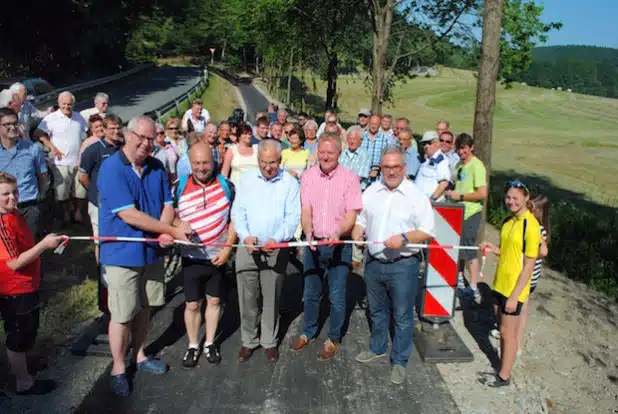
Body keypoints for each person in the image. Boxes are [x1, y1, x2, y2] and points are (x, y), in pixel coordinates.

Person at [97, 115, 192, 397]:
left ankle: (139, 355)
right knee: (122, 313)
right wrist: (169, 231)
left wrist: (164, 231)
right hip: (122, 254)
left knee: (146, 307)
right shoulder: (111, 168)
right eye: (142, 137)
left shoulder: (156, 167)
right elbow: (130, 215)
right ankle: (117, 367)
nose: (147, 143)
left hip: (151, 252)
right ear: (128, 135)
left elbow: (167, 204)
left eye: (152, 138)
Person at [352, 145, 434, 385]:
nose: (390, 171)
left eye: (395, 166)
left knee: (402, 315)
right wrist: (358, 231)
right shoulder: (372, 191)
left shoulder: (416, 196)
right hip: (374, 263)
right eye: (386, 167)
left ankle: (399, 360)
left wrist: (405, 238)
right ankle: (377, 347)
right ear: (381, 168)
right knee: (376, 310)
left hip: (403, 265)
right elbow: (361, 219)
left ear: (404, 167)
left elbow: (428, 231)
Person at [291, 133, 362, 360]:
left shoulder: (350, 178)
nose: (325, 156)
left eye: (330, 152)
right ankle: (309, 331)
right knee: (311, 292)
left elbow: (352, 214)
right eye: (321, 152)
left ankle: (334, 337)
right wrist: (308, 231)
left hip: (339, 244)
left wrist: (337, 232)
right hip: (314, 243)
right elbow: (306, 208)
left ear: (339, 154)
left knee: (337, 295)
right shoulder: (308, 176)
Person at [231, 139, 300, 362]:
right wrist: (244, 235)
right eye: (263, 162)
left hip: (275, 248)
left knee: (271, 298)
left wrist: (276, 238)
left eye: (272, 163)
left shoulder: (289, 182)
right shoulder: (247, 179)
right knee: (247, 297)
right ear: (257, 160)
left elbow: (292, 218)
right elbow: (238, 213)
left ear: (279, 161)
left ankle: (269, 341)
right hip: (248, 246)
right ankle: (248, 340)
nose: (267, 167)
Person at [0, 172, 63, 394]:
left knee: (28, 330)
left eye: (15, 192)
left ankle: (24, 366)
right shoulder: (2, 224)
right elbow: (14, 263)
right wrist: (44, 245)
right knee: (17, 335)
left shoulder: (14, 214)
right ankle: (23, 382)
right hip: (14, 289)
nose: (12, 198)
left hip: (29, 284)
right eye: (5, 194)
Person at [175, 142, 237, 368]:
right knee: (192, 305)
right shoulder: (179, 186)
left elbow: (235, 219)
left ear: (214, 162)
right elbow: (170, 215)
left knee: (215, 300)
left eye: (206, 163)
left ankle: (210, 342)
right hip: (191, 257)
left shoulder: (227, 186)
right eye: (197, 163)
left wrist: (228, 249)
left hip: (217, 257)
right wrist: (176, 224)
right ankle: (193, 345)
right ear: (189, 163)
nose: (201, 168)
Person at [479, 180, 542, 387]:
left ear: (526, 198)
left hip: (514, 288)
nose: (511, 202)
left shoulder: (530, 225)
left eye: (516, 198)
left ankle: (504, 375)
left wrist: (515, 295)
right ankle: (502, 366)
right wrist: (493, 248)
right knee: (503, 329)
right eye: (508, 197)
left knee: (508, 333)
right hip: (500, 284)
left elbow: (529, 265)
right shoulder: (509, 221)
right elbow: (508, 251)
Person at [445, 133, 488, 302]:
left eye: (463, 148)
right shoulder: (459, 166)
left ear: (471, 148)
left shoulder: (477, 166)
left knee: (469, 249)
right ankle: (460, 280)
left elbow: (482, 193)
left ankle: (474, 287)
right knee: (458, 247)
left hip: (471, 212)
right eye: (458, 148)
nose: (461, 152)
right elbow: (453, 182)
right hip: (458, 212)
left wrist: (460, 197)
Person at [35, 91, 88, 226]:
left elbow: (88, 132)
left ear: (73, 104)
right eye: (64, 104)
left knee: (80, 192)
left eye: (69, 104)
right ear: (59, 103)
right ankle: (65, 215)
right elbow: (38, 134)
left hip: (78, 161)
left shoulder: (78, 117)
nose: (66, 107)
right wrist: (52, 148)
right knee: (62, 193)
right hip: (60, 163)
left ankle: (78, 213)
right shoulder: (50, 118)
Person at [78, 114, 124, 263]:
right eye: (112, 129)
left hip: (121, 202)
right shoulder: (92, 150)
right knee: (101, 239)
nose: (116, 131)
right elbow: (83, 177)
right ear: (103, 130)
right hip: (99, 203)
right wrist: (96, 191)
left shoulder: (124, 149)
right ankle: (102, 273)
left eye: (118, 128)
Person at [0, 108, 48, 237]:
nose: (13, 127)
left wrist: (40, 197)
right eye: (7, 124)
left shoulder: (33, 149)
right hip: (3, 210)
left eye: (15, 123)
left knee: (30, 247)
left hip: (29, 208)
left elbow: (42, 176)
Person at [515, 195, 549, 352]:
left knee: (522, 310)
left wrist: (529, 255)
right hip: (523, 274)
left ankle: (518, 344)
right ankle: (510, 331)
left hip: (528, 277)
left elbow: (543, 251)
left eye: (530, 208)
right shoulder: (529, 225)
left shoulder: (537, 228)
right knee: (515, 304)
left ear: (537, 213)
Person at [414, 130, 451, 202]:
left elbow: (443, 183)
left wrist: (431, 200)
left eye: (429, 143)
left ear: (437, 143)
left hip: (431, 206)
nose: (426, 146)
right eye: (424, 144)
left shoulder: (441, 160)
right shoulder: (426, 160)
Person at [361, 115, 392, 186]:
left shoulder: (385, 140)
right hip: (361, 177)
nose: (373, 126)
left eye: (376, 124)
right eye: (372, 123)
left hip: (377, 178)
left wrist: (377, 169)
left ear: (379, 125)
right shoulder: (361, 137)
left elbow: (388, 159)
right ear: (368, 123)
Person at [338, 125, 371, 190]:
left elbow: (359, 177)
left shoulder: (365, 155)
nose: (352, 141)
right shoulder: (343, 153)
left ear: (360, 141)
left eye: (354, 139)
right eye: (350, 138)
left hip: (358, 191)